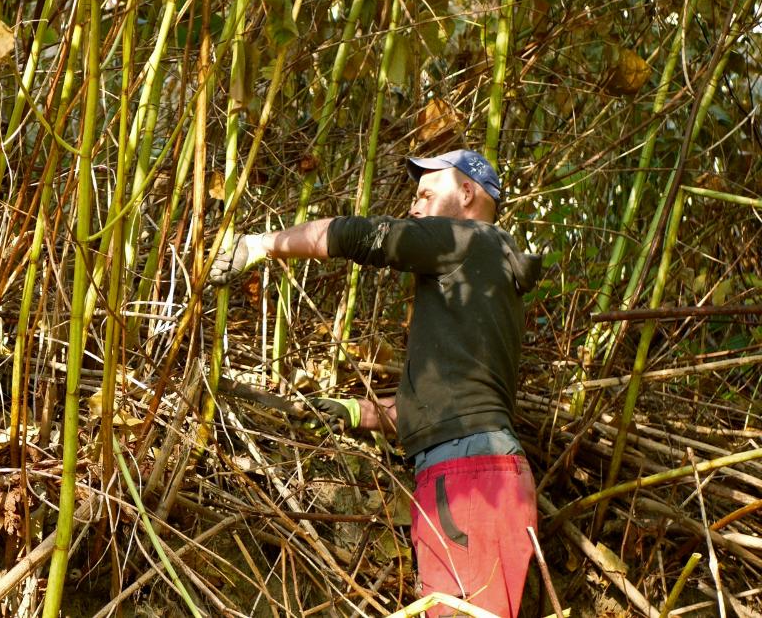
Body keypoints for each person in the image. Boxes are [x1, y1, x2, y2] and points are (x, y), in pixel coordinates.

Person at [209, 149, 543, 617]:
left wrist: (260, 245)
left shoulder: (470, 240)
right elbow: (442, 408)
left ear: (467, 193)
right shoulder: (483, 276)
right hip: (475, 474)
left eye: (427, 193)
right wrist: (352, 412)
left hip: (470, 484)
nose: (415, 206)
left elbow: (363, 237)